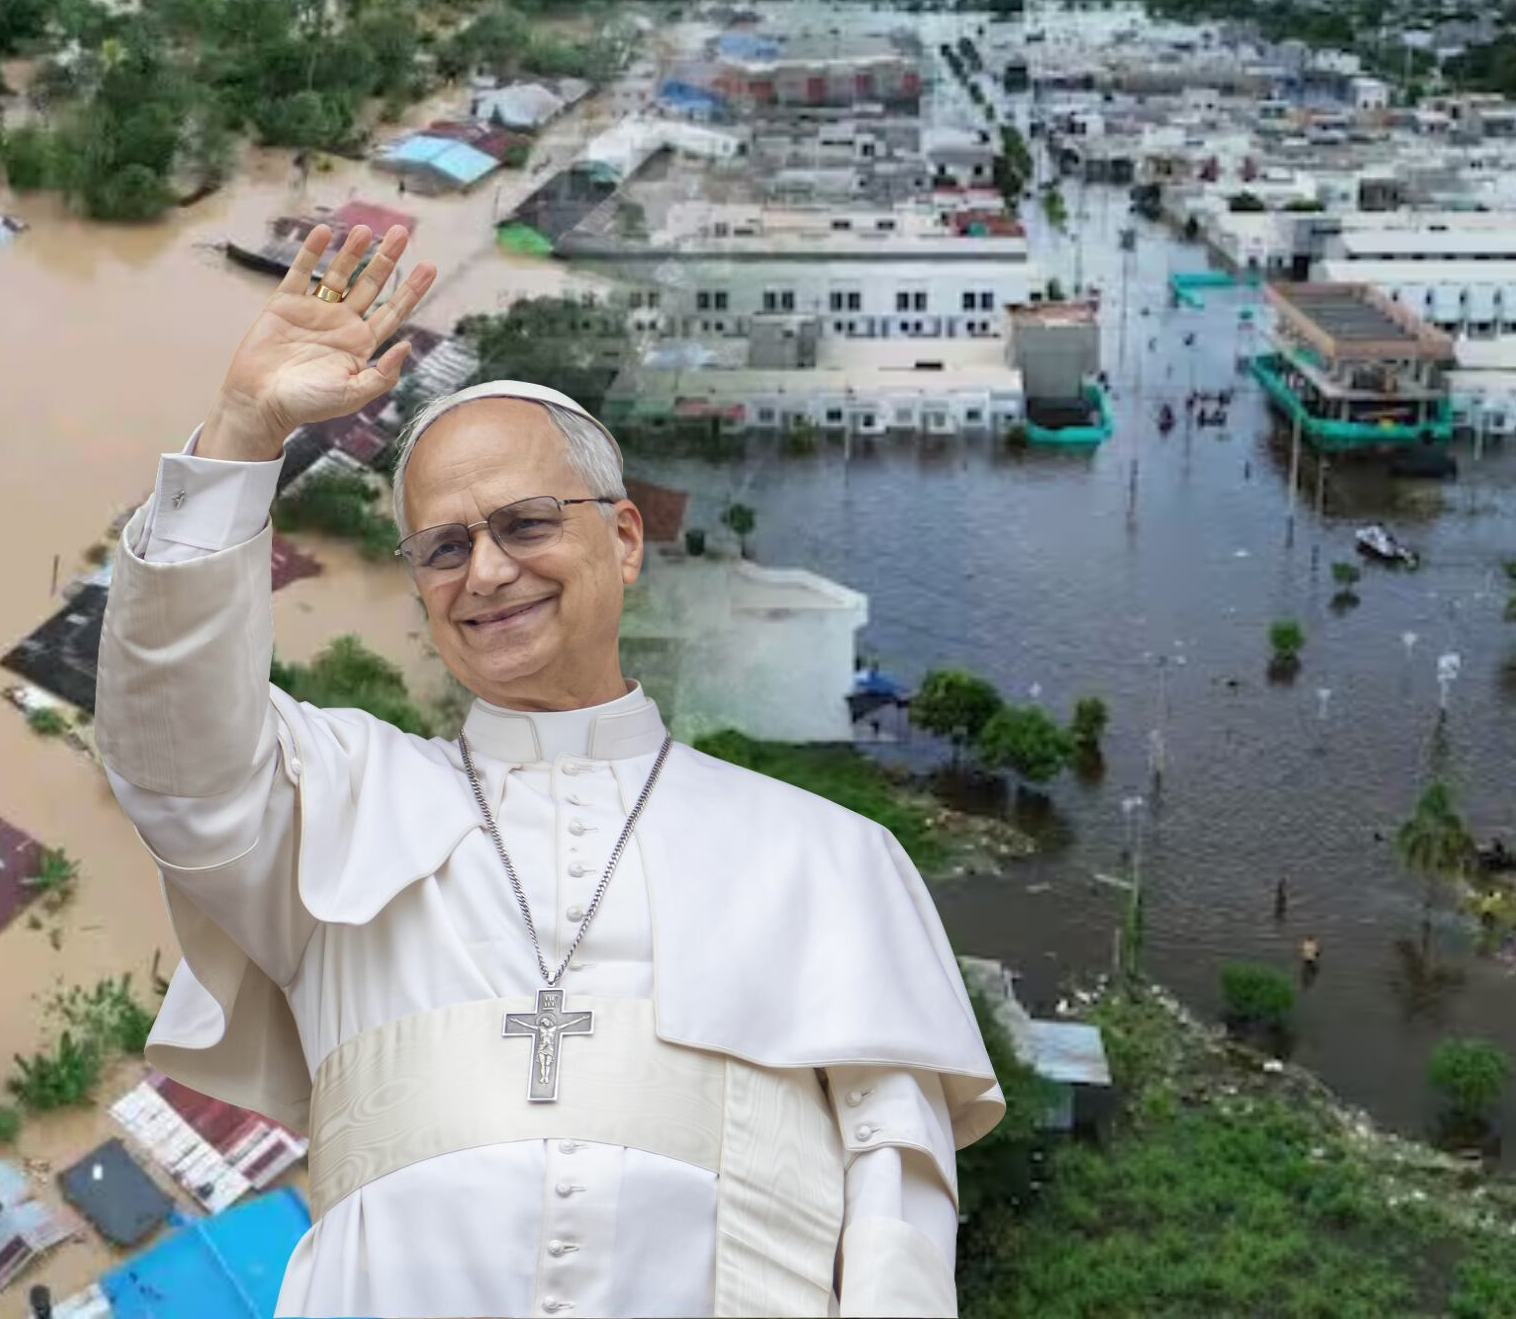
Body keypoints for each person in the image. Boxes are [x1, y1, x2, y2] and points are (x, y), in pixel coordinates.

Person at [95, 223, 1002, 1318]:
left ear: (623, 538)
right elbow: (170, 753)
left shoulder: (831, 855)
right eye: (441, 546)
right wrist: (241, 434)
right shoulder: (333, 798)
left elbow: (897, 1213)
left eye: (525, 522)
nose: (485, 570)